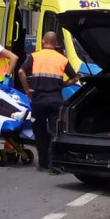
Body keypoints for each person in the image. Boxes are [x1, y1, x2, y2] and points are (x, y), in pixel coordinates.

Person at [18, 31, 78, 174]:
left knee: (39, 132)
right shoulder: (62, 58)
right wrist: (62, 84)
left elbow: (21, 72)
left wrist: (27, 89)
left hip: (38, 100)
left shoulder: (34, 56)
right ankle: (53, 165)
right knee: (54, 132)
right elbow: (75, 78)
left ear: (43, 42)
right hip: (55, 99)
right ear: (55, 43)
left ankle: (43, 163)